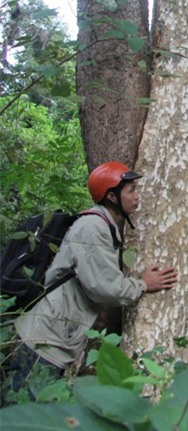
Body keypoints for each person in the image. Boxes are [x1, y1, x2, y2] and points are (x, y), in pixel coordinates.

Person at [12, 162, 178, 379]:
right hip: (43, 342)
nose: (137, 196)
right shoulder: (93, 227)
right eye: (131, 190)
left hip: (50, 340)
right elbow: (105, 288)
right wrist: (144, 283)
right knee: (26, 411)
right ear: (112, 197)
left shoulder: (102, 225)